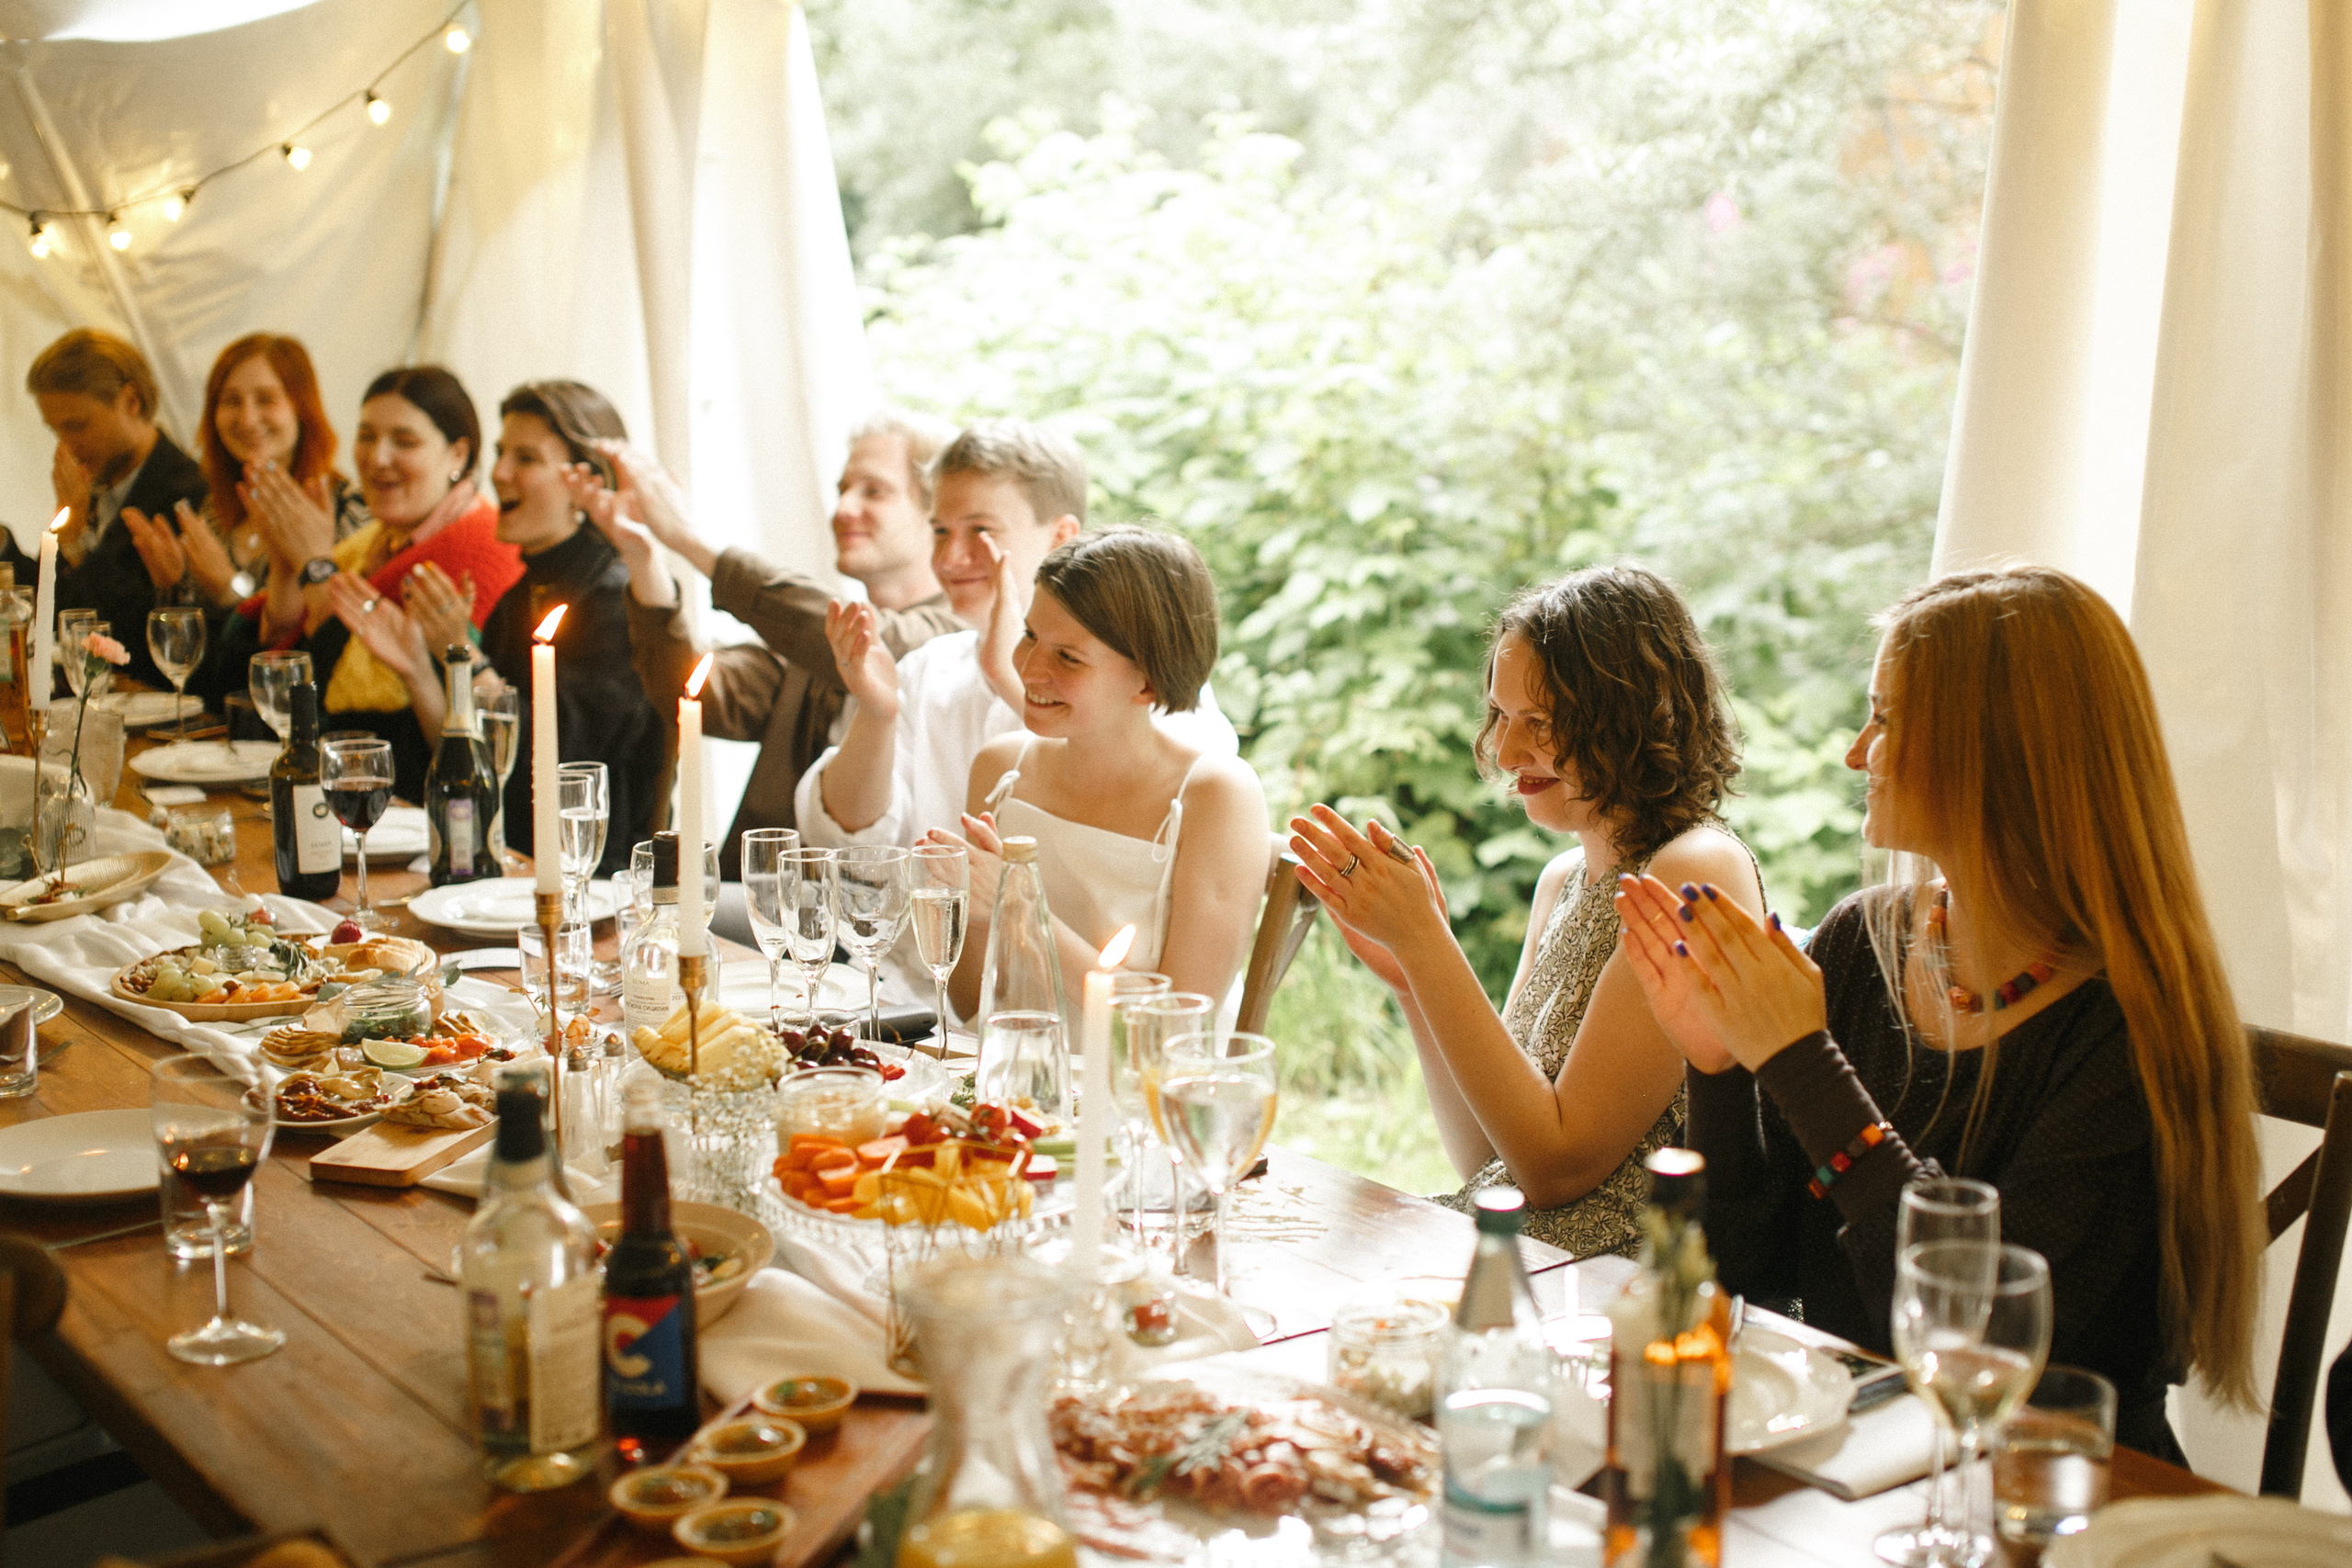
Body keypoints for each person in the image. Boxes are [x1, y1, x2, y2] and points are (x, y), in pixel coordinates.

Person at [1614, 565, 2265, 1461]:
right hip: (1870, 1463)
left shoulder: (2125, 1028)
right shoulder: (1860, 942)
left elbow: (1983, 1346)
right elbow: (1743, 1280)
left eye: (1884, 718)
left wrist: (1803, 1063)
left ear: (1995, 752)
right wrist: (1718, 1068)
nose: (1855, 751)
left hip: (2064, 1494)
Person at [1287, 566, 1760, 1259]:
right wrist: (1411, 981)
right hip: (1514, 1253)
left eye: (1539, 723)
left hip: (1617, 1288)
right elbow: (1488, 1153)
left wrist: (1429, 946)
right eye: (1502, 717)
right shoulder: (1561, 878)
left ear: (1628, 715)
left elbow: (1556, 1170)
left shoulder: (1698, 867)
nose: (1507, 753)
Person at [795, 419, 1237, 860]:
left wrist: (1008, 676)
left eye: (982, 531)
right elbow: (840, 841)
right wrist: (877, 713)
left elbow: (1170, 823)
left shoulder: (1134, 674)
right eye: (940, 531)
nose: (950, 559)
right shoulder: (926, 668)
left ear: (1061, 536)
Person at [580, 408, 965, 874]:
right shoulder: (816, 643)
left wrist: (689, 539)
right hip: (770, 909)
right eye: (842, 489)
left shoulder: (954, 638)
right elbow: (690, 690)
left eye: (874, 491)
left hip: (876, 928)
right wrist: (641, 558)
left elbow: (878, 647)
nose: (843, 509)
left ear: (936, 513)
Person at [927, 527, 1269, 1014]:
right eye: (1030, 636)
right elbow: (968, 1005)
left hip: (1139, 1086)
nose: (1028, 668)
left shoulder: (1217, 796)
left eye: (1068, 656)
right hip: (1009, 1077)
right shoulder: (1001, 770)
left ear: (1147, 683)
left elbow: (1176, 1027)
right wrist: (973, 907)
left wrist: (1018, 905)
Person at [331, 381, 658, 874]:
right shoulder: (523, 592)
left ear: (586, 483)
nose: (499, 472)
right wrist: (419, 669)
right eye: (502, 452)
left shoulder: (615, 601)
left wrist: (465, 655)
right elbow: (473, 763)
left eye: (525, 459)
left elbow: (551, 767)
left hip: (589, 883)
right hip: (505, 862)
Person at [213, 366, 523, 800]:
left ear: (458, 455)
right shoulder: (371, 545)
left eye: (405, 441)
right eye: (366, 436)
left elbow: (367, 724)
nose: (378, 458)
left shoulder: (479, 551)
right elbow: (248, 685)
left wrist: (316, 568)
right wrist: (288, 570)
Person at [119, 334, 369, 625]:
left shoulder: (349, 509)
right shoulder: (214, 510)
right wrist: (172, 586)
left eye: (266, 399)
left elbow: (329, 639)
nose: (248, 419)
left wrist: (231, 588)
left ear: (302, 407)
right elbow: (201, 653)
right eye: (231, 401)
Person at [9, 329, 209, 689]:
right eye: (56, 431)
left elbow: (124, 631)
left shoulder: (184, 494)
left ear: (131, 401)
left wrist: (74, 541)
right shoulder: (97, 486)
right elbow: (48, 609)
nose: (67, 446)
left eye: (76, 426)